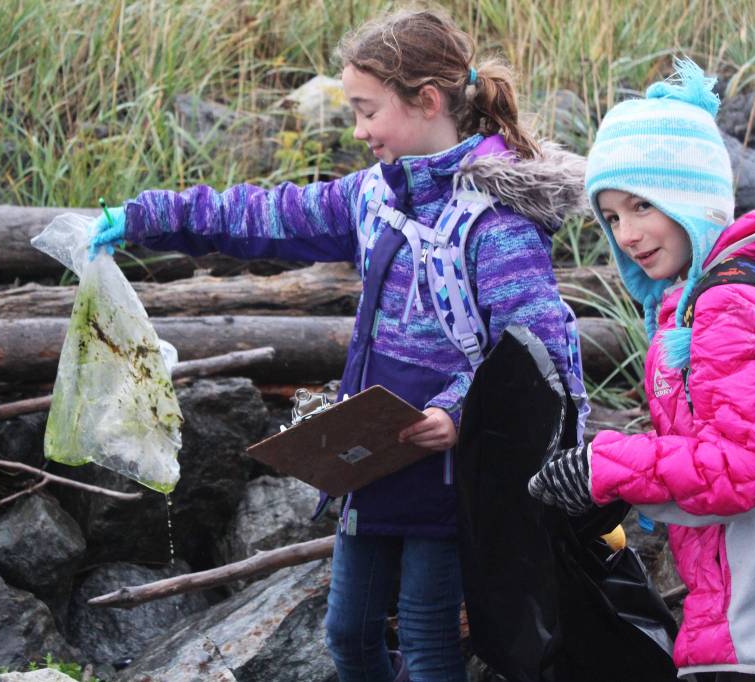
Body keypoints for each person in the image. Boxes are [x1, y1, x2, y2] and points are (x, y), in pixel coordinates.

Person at [92, 9, 583, 681]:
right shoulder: (372, 197)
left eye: (366, 110)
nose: (357, 131)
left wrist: (458, 413)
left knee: (429, 638)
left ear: (429, 102)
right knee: (349, 634)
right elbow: (262, 217)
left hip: (451, 467)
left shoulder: (496, 224)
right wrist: (146, 218)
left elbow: (539, 353)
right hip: (370, 453)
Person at [528, 58, 755, 681]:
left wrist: (606, 465)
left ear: (692, 198)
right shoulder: (711, 299)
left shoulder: (725, 307)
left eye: (643, 205)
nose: (628, 235)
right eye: (612, 216)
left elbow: (748, 468)